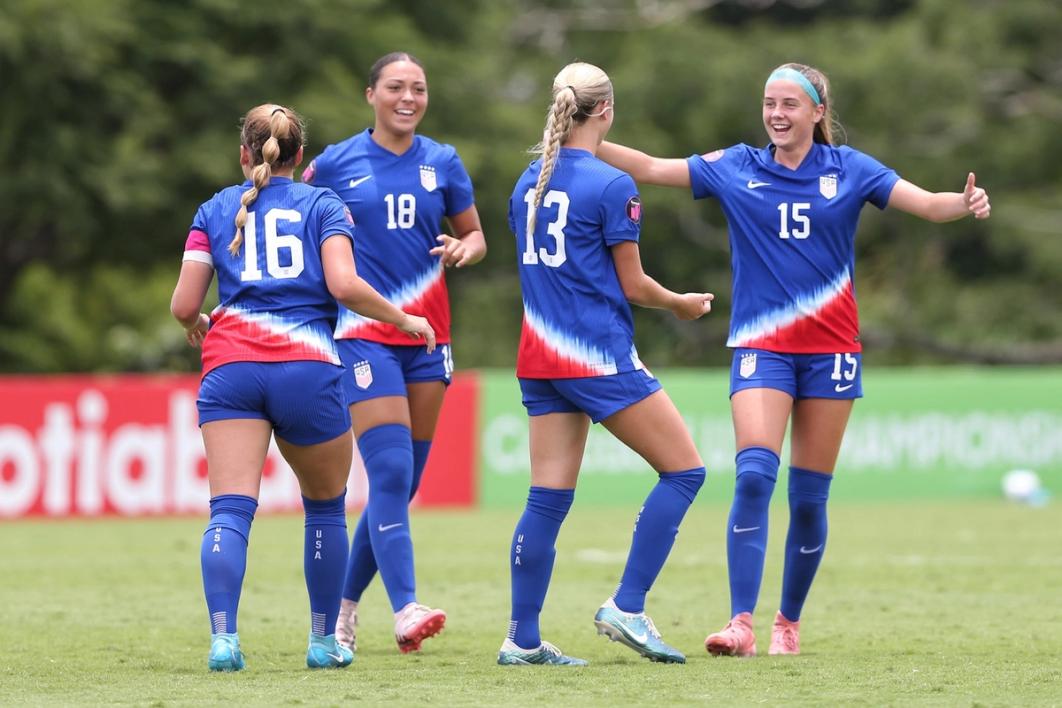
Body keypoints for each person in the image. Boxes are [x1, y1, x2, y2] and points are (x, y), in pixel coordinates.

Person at [597, 62, 992, 656]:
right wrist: (582, 141)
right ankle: (741, 624)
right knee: (755, 475)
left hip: (831, 353)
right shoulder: (737, 166)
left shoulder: (850, 169)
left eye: (789, 104)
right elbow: (652, 168)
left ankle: (788, 622)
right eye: (768, 103)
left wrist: (963, 203)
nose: (776, 114)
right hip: (762, 348)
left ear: (816, 113)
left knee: (808, 497)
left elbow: (929, 205)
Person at [170, 103, 435, 672]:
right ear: (301, 156)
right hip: (308, 369)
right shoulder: (324, 204)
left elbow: (184, 305)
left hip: (231, 370)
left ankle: (223, 639)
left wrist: (195, 323)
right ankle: (321, 641)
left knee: (230, 512)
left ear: (244, 154)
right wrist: (403, 319)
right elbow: (344, 284)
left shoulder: (214, 209)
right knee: (324, 510)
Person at [497, 62, 715, 667]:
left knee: (545, 499)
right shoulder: (611, 184)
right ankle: (628, 605)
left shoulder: (526, 183)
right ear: (607, 111)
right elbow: (634, 284)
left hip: (539, 357)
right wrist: (679, 303)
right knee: (685, 472)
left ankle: (522, 639)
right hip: (596, 357)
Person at [302, 51, 487, 655]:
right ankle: (406, 607)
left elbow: (477, 235)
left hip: (428, 340)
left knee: (399, 487)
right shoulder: (334, 162)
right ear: (371, 95)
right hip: (364, 335)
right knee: (387, 473)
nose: (408, 98)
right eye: (396, 88)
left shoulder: (444, 161)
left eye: (419, 89)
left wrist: (466, 249)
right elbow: (295, 222)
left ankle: (344, 610)